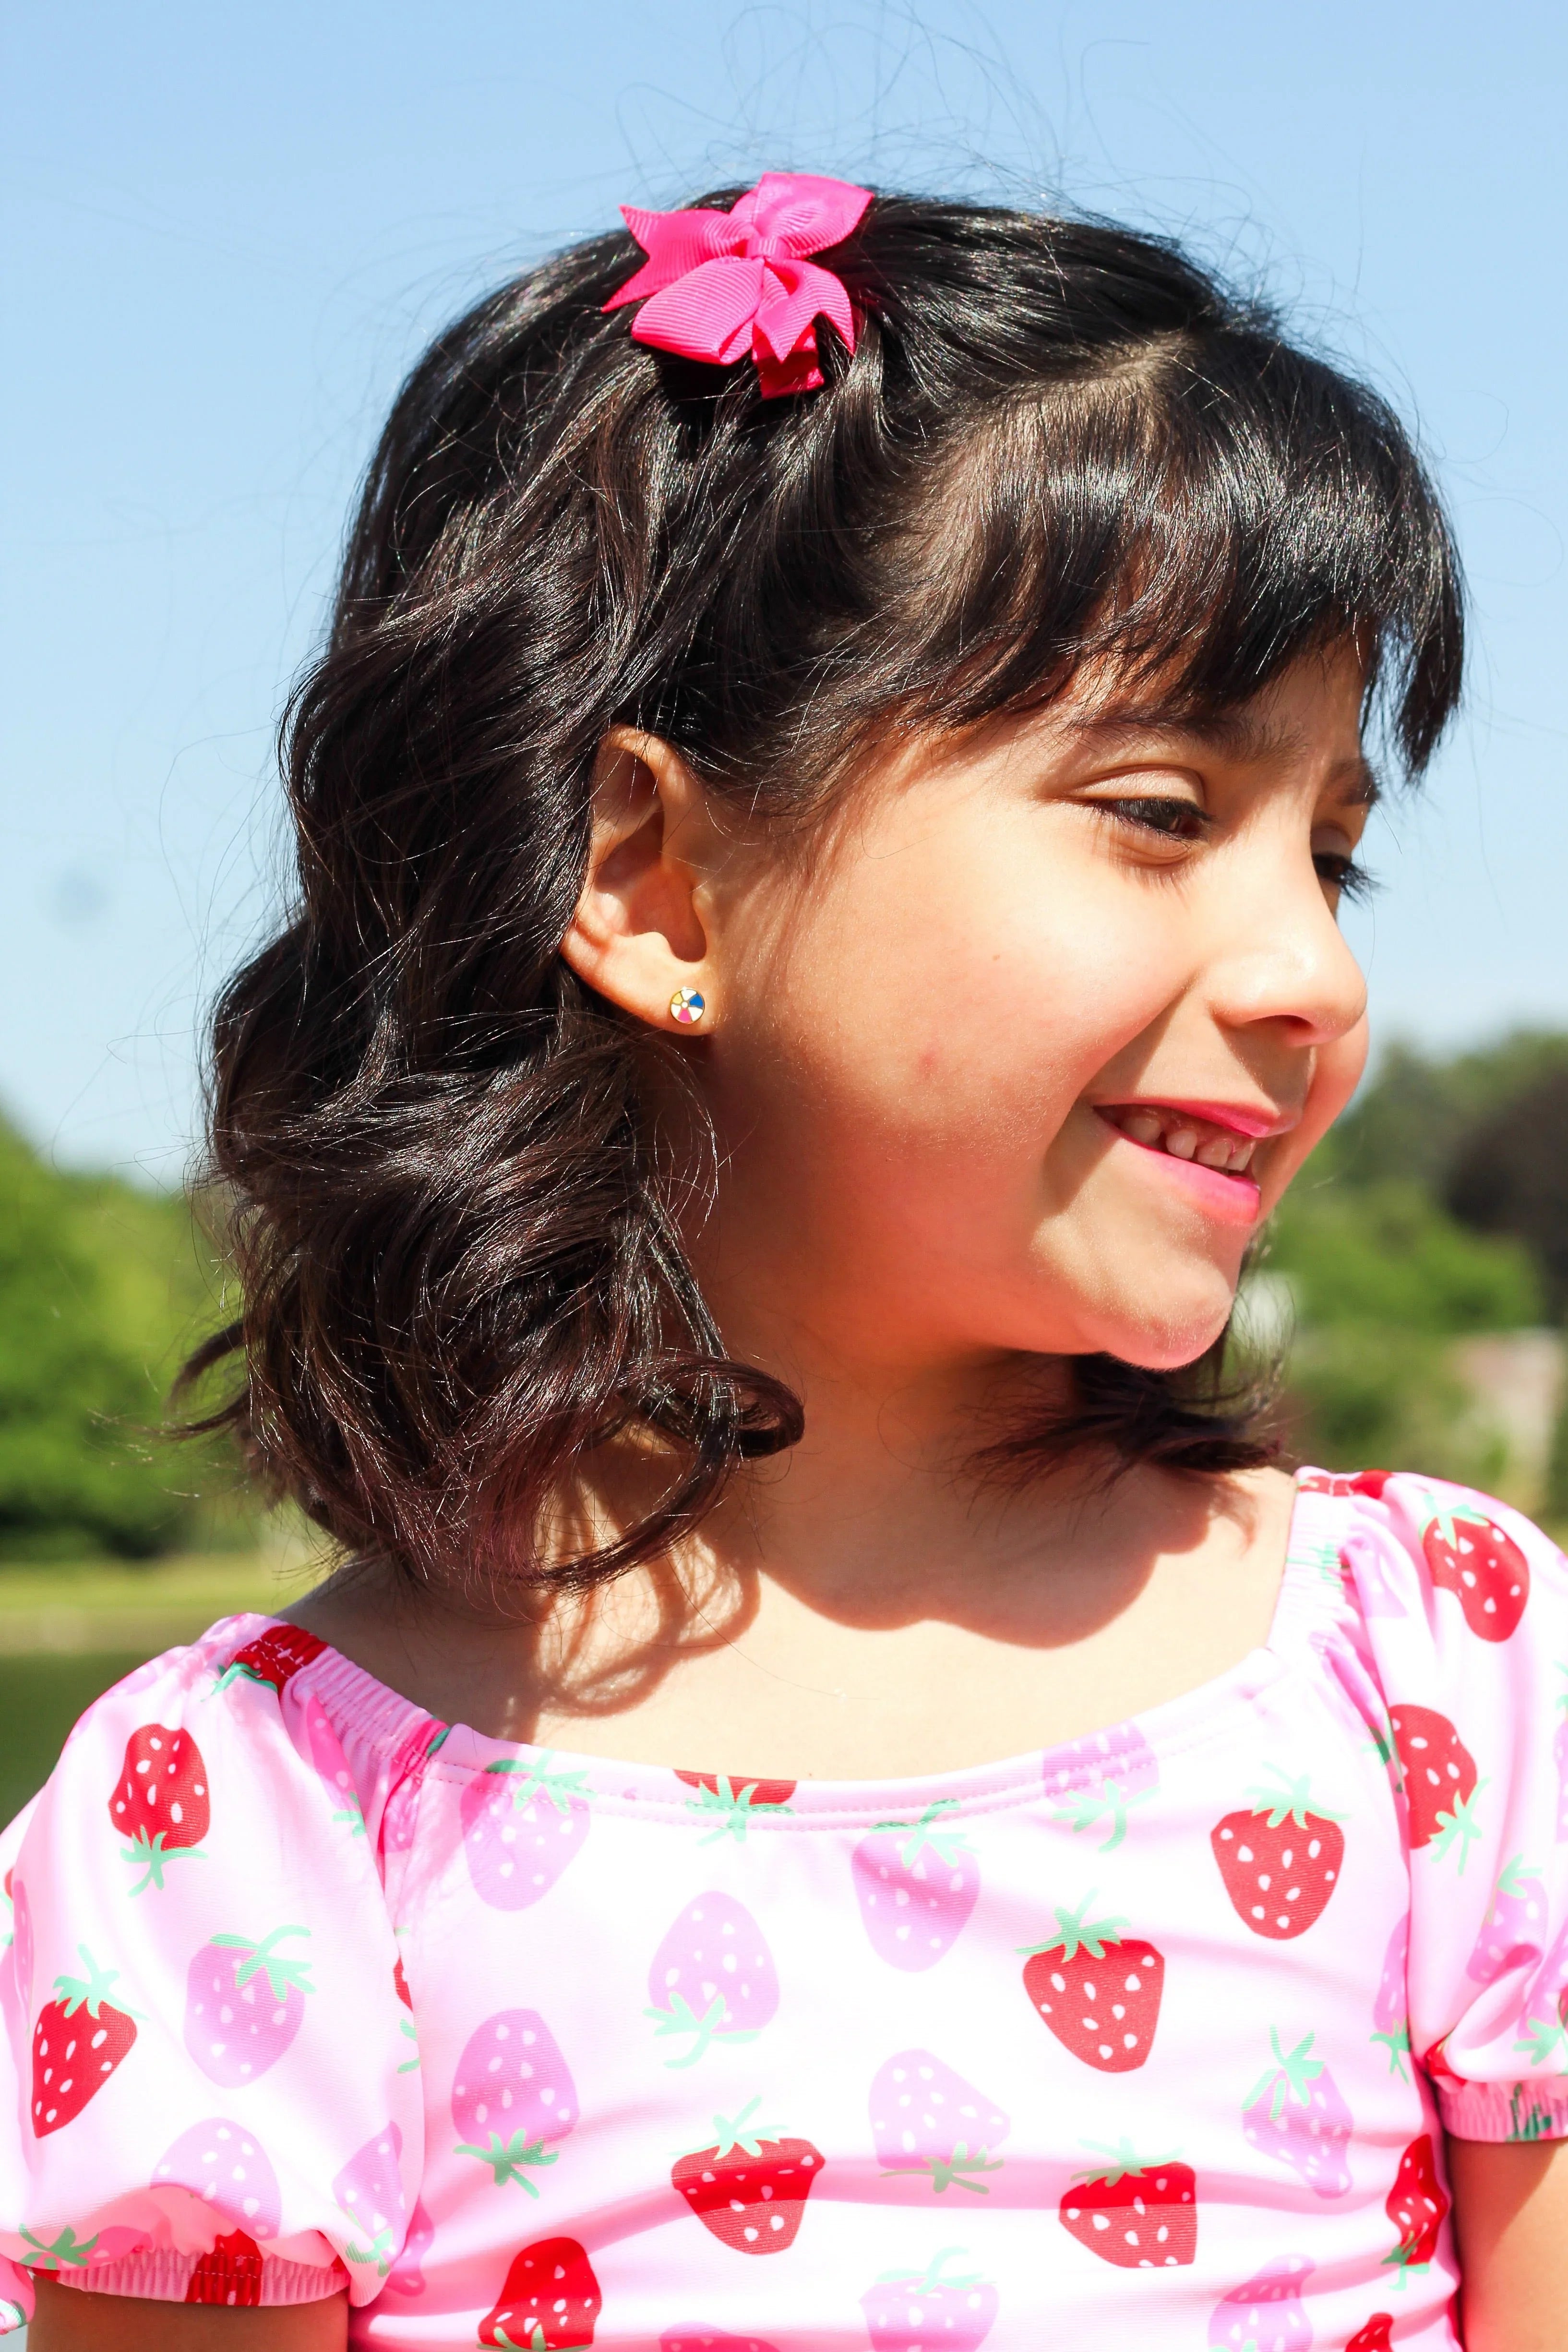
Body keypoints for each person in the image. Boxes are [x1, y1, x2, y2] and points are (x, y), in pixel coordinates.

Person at [2, 174, 1563, 2352]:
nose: (1307, 973)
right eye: (1154, 810)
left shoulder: (1454, 1681)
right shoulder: (267, 1821)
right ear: (654, 881)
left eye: (1331, 856)